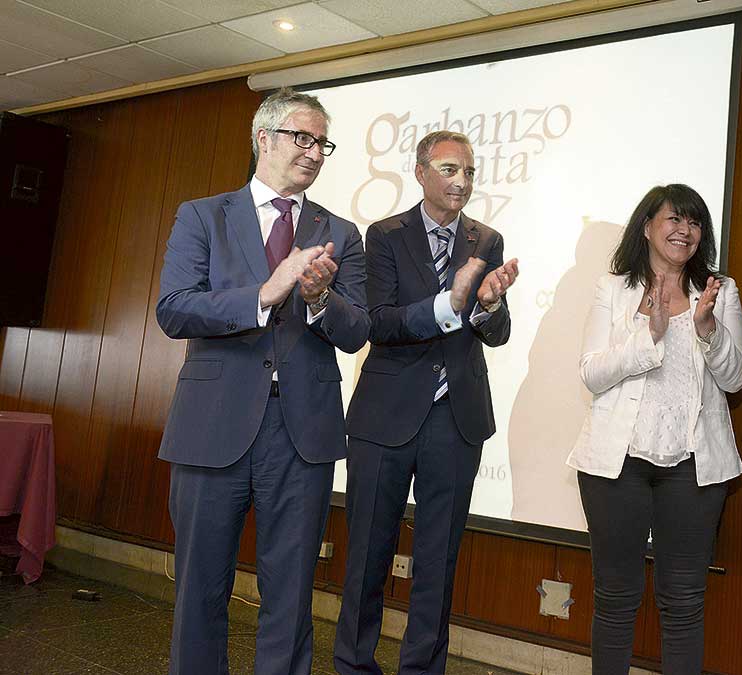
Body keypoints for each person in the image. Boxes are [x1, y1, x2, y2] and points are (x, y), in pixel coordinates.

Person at [156, 87, 369, 675]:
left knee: (291, 594)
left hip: (302, 436)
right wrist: (265, 294)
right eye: (302, 137)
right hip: (210, 428)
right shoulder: (203, 215)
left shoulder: (341, 233)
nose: (314, 151)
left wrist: (321, 298)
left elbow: (357, 332)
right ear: (263, 138)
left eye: (322, 142)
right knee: (199, 588)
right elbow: (174, 309)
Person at [334, 130, 519, 675]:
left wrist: (487, 305)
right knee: (367, 553)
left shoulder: (487, 240)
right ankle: (353, 665)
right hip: (385, 416)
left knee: (438, 561)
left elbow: (497, 331)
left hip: (455, 418)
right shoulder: (385, 235)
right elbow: (380, 322)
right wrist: (449, 302)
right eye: (448, 170)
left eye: (468, 172)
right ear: (420, 173)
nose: (461, 181)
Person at [568, 184, 742, 675]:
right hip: (617, 463)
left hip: (693, 467)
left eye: (693, 222)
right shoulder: (613, 287)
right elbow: (591, 373)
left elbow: (737, 380)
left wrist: (708, 328)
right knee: (615, 598)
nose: (683, 230)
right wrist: (647, 333)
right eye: (673, 219)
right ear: (647, 226)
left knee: (684, 602)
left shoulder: (719, 290)